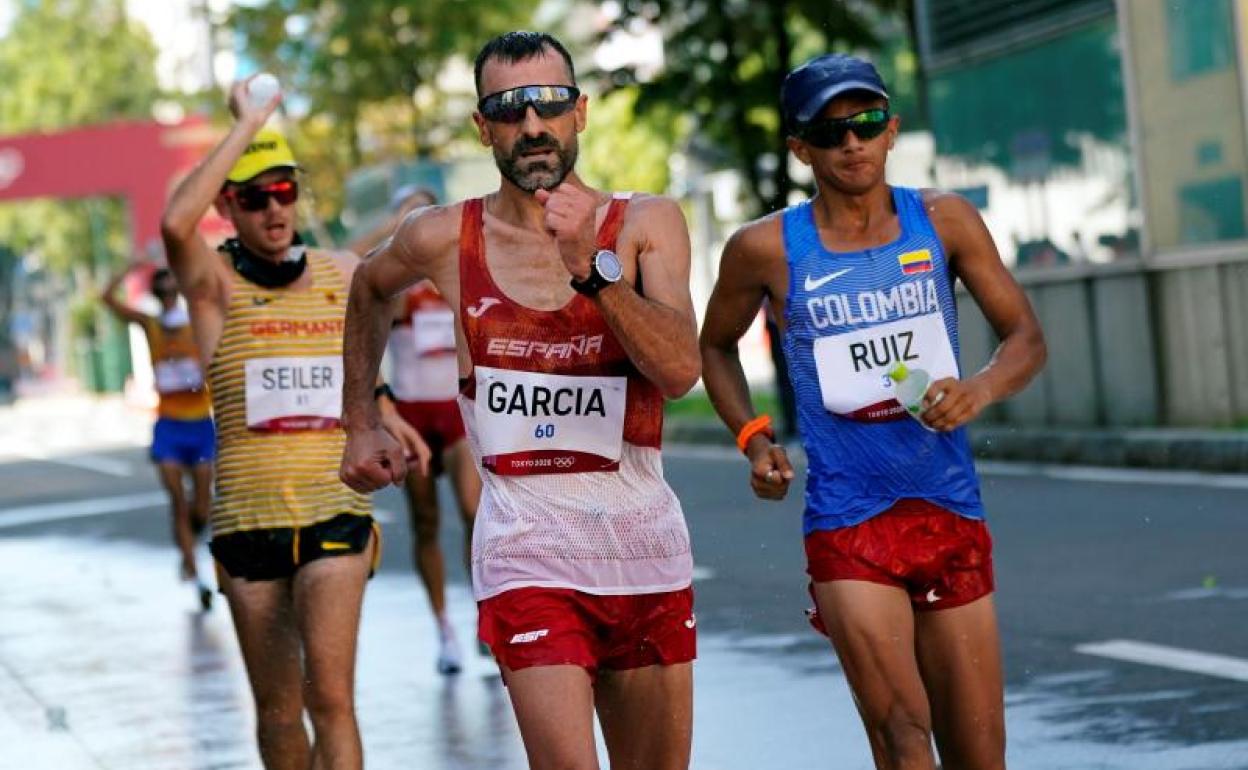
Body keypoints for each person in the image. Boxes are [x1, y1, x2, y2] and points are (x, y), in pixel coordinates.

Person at [340, 31, 700, 770]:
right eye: (509, 109)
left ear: (580, 113)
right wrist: (361, 418)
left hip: (645, 552)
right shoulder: (442, 236)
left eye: (550, 104)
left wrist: (593, 273)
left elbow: (678, 371)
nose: (532, 125)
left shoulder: (644, 224)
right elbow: (368, 286)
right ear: (484, 127)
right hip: (525, 551)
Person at [700, 54, 1046, 770]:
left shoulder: (944, 220)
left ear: (891, 130)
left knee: (980, 756)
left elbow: (1026, 338)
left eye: (864, 124)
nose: (851, 142)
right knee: (900, 735)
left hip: (949, 506)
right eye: (829, 133)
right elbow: (714, 347)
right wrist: (754, 436)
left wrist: (978, 388)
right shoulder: (764, 248)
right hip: (849, 521)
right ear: (800, 149)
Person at [159, 80, 428, 770]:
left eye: (285, 190)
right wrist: (249, 125)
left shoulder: (342, 273)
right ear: (229, 205)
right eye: (255, 196)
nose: (275, 208)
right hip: (247, 521)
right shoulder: (214, 285)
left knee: (330, 700)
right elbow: (172, 225)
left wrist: (387, 409)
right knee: (278, 715)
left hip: (334, 506)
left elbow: (366, 360)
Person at [348, 186, 483, 675]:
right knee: (425, 522)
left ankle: (482, 614)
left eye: (428, 211)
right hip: (410, 414)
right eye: (412, 214)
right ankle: (443, 628)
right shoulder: (398, 283)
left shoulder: (454, 270)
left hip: (457, 411)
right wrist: (396, 225)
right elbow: (352, 267)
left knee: (475, 512)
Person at [102, 262, 215, 610]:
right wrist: (132, 265)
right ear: (155, 293)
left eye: (172, 287)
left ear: (178, 290)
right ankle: (194, 572)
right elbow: (107, 298)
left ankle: (188, 546)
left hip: (200, 424)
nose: (167, 293)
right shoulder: (150, 325)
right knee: (178, 503)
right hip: (168, 425)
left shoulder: (196, 322)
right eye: (161, 289)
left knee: (200, 507)